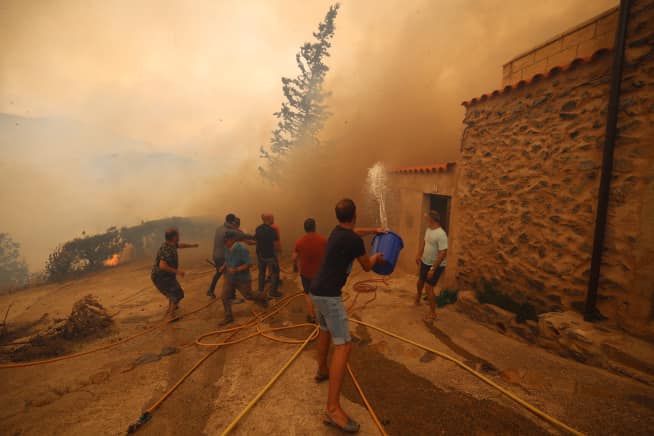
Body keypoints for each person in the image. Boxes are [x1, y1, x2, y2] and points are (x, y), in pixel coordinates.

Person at [310, 198, 384, 433]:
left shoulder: (337, 232)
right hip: (330, 296)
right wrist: (377, 257)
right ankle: (333, 410)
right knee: (344, 346)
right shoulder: (352, 240)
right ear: (355, 214)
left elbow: (355, 233)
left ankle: (322, 369)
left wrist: (373, 230)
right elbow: (368, 266)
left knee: (324, 329)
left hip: (316, 291)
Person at [220, 232, 268, 326]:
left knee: (248, 295)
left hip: (242, 278)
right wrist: (223, 266)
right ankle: (228, 316)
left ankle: (263, 297)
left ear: (232, 239)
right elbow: (227, 258)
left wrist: (236, 269)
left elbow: (249, 264)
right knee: (224, 296)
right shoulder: (226, 247)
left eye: (226, 241)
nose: (224, 243)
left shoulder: (241, 249)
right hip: (230, 277)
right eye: (224, 241)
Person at [151, 227, 199, 319]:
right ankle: (171, 316)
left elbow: (180, 245)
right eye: (177, 235)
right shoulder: (167, 249)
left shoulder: (170, 245)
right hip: (161, 276)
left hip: (165, 276)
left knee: (172, 292)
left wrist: (192, 245)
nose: (179, 236)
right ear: (173, 237)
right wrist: (178, 272)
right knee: (177, 293)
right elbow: (162, 265)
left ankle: (170, 310)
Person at [415, 210, 448, 322]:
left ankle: (433, 314)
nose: (426, 221)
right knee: (420, 281)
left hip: (436, 265)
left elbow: (443, 253)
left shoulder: (441, 234)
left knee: (428, 287)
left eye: (427, 219)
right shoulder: (429, 229)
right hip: (425, 261)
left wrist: (433, 269)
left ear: (432, 220)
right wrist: (419, 254)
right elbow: (425, 243)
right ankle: (418, 298)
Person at [292, 218, 327, 323]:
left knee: (307, 294)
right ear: (315, 227)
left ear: (304, 228)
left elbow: (294, 257)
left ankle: (311, 316)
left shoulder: (299, 242)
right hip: (320, 273)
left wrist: (295, 266)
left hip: (306, 273)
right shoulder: (323, 240)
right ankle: (324, 316)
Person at [255, 213, 282, 298]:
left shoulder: (258, 229)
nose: (273, 219)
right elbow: (276, 244)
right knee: (275, 273)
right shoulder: (272, 230)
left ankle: (260, 291)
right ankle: (273, 292)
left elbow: (256, 240)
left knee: (261, 273)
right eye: (272, 218)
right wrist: (279, 252)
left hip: (260, 256)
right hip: (270, 256)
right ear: (268, 219)